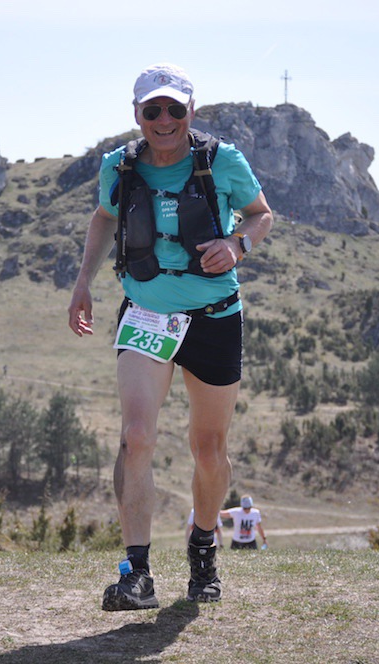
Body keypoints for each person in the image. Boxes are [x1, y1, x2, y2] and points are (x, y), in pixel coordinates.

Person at [67, 62, 273, 611]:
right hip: (147, 315)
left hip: (214, 316)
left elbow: (260, 215)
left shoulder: (223, 161)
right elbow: (104, 217)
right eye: (152, 110)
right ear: (137, 114)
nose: (164, 120)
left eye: (174, 109)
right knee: (136, 436)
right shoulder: (119, 165)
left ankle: (203, 549)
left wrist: (237, 245)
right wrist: (83, 282)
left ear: (191, 111)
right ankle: (137, 573)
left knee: (208, 447)